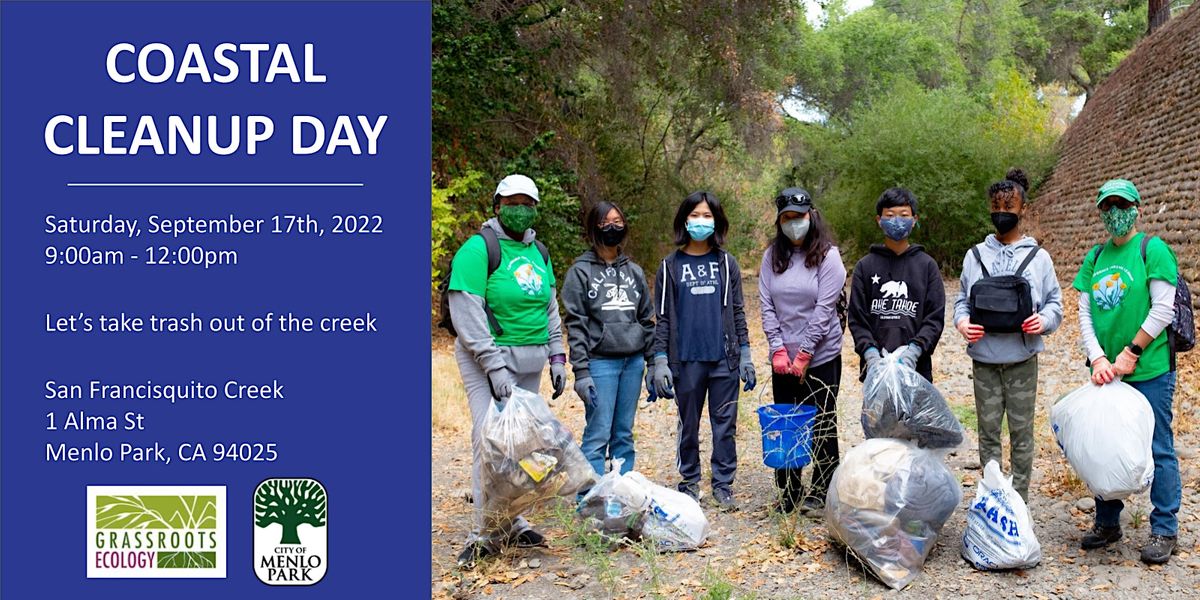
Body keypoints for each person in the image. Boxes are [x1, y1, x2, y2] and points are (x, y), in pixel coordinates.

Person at [447, 174, 568, 568]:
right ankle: (483, 532)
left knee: (522, 445)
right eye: (512, 201)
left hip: (531, 358)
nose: (520, 208)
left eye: (527, 203)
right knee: (489, 439)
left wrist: (557, 356)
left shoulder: (540, 253)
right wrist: (494, 367)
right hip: (488, 359)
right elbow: (466, 312)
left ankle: (512, 520)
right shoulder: (479, 249)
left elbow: (549, 308)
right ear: (497, 205)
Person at [1072, 178, 1181, 565]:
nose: (1115, 213)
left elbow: (1163, 308)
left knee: (1158, 447)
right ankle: (1108, 523)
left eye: (1121, 205)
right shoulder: (1096, 257)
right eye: (1107, 207)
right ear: (1101, 212)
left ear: (1137, 207)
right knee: (1105, 445)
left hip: (1149, 369)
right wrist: (1099, 358)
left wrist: (1131, 352)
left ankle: (1164, 528)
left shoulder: (1154, 250)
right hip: (1107, 370)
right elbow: (1084, 312)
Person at [953, 169, 1063, 502]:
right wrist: (961, 323)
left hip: (1022, 360)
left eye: (1009, 206)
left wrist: (1043, 321)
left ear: (1023, 209)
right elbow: (961, 300)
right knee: (987, 435)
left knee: (1022, 435)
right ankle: (991, 502)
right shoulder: (974, 256)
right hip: (984, 360)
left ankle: (1019, 504)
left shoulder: (1039, 258)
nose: (1002, 212)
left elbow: (1055, 303)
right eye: (996, 206)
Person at [650, 191, 756, 511]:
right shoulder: (670, 267)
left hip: (723, 358)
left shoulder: (727, 263)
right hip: (686, 360)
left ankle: (723, 485)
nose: (701, 221)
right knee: (689, 424)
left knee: (726, 426)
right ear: (684, 219)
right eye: (695, 215)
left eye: (707, 216)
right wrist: (660, 360)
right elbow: (663, 317)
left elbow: (738, 311)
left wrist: (746, 354)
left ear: (717, 221)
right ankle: (689, 481)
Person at [758, 188, 847, 514]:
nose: (794, 223)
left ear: (811, 215)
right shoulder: (772, 257)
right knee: (787, 422)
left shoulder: (828, 256)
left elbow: (824, 310)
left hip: (821, 355)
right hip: (783, 358)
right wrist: (778, 349)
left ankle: (822, 485)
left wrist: (806, 354)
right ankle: (790, 487)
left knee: (822, 421)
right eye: (787, 218)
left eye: (800, 216)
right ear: (780, 221)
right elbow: (766, 305)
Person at [561, 201, 656, 480]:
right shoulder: (580, 271)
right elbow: (575, 324)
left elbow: (646, 319)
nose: (612, 227)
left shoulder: (634, 272)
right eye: (604, 223)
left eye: (618, 221)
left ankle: (621, 497)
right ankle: (589, 499)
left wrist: (654, 362)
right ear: (594, 227)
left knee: (623, 433)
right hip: (600, 363)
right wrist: (581, 372)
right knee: (598, 432)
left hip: (633, 363)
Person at [847, 187, 945, 381]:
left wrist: (914, 351)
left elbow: (934, 318)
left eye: (904, 215)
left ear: (914, 219)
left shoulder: (927, 266)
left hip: (916, 369)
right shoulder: (865, 267)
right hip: (876, 370)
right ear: (879, 220)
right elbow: (857, 318)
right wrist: (871, 354)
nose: (897, 220)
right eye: (890, 215)